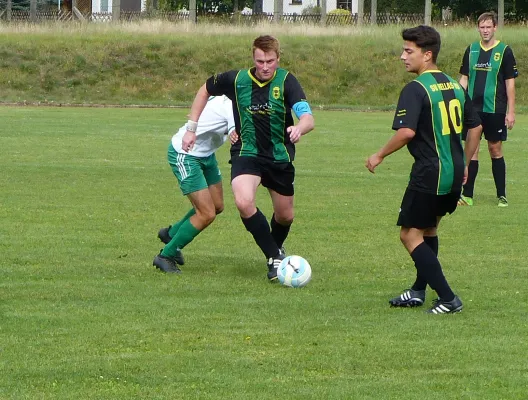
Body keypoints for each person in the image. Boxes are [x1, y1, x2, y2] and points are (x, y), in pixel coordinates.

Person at [366, 25, 482, 314]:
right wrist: (465, 163)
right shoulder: (456, 86)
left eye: (408, 51)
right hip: (454, 172)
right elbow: (476, 126)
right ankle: (418, 290)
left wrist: (379, 155)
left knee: (409, 234)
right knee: (429, 229)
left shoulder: (415, 89)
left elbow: (406, 132)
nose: (402, 56)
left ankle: (448, 298)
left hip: (430, 172)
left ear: (427, 55)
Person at [181, 35, 315, 282]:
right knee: (243, 202)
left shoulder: (287, 81)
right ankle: (275, 257)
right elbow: (204, 90)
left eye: (270, 61)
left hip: (279, 155)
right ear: (253, 58)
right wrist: (192, 127)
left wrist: (299, 128)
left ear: (278, 58)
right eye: (260, 61)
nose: (265, 67)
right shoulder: (237, 79)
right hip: (246, 152)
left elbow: (307, 116)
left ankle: (275, 252)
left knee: (285, 216)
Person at [153, 95, 235, 274]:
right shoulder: (232, 106)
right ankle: (165, 256)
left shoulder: (226, 98)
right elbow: (236, 133)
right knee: (206, 213)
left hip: (206, 155)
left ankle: (171, 234)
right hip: (186, 154)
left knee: (217, 205)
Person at [458, 11, 518, 207]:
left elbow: (510, 84)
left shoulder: (505, 51)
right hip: (472, 110)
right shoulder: (472, 50)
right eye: (481, 27)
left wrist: (511, 112)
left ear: (494, 28)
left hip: (495, 109)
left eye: (488, 27)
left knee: (495, 149)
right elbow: (464, 79)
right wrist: (457, 101)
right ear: (478, 28)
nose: (485, 30)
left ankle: (502, 195)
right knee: (471, 150)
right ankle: (467, 195)